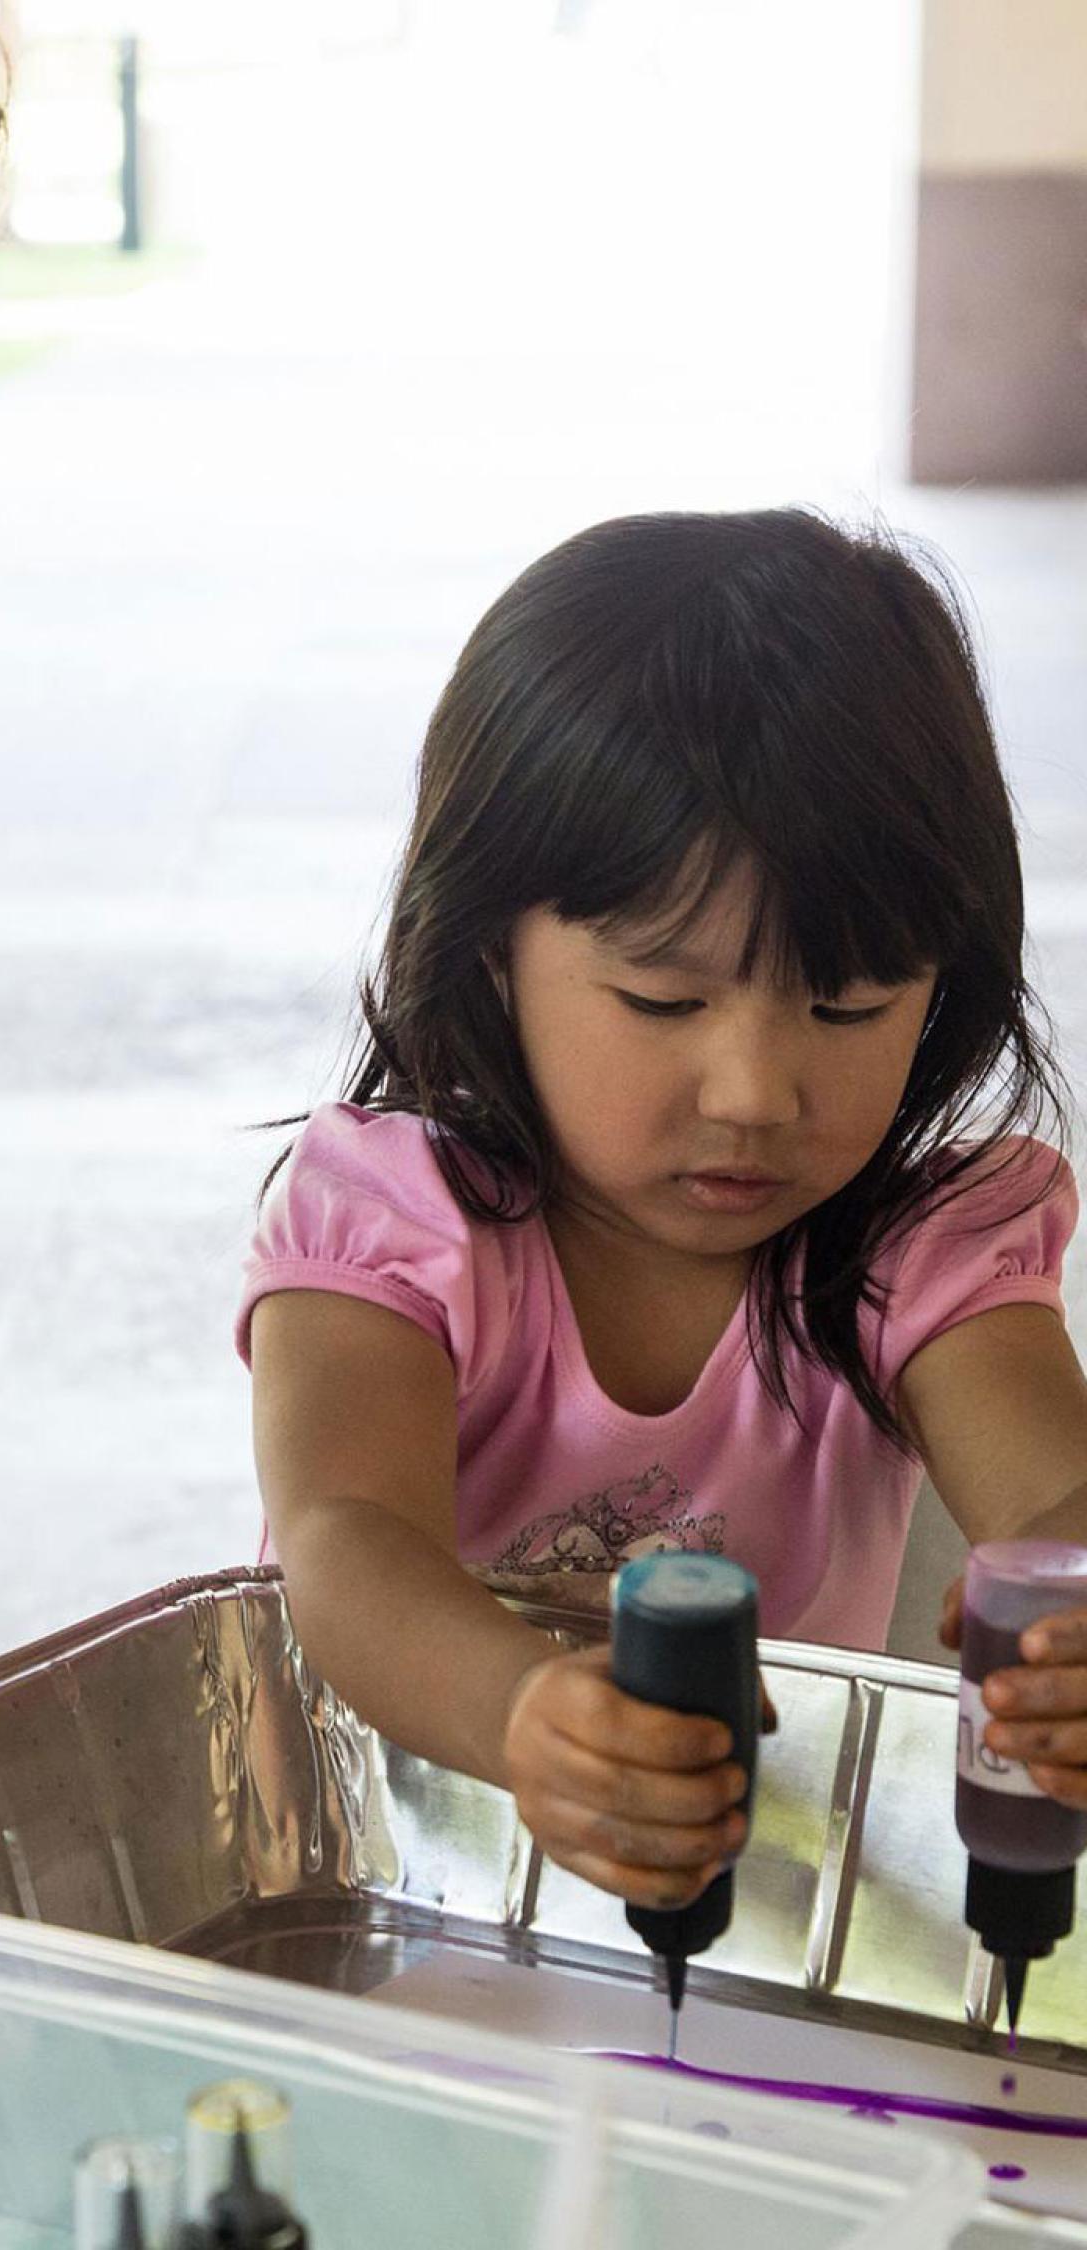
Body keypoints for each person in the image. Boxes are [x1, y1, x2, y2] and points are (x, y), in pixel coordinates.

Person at [240, 509, 1087, 1912]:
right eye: (664, 1000)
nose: (755, 1090)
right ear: (492, 951)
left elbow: (1055, 1493)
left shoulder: (919, 1251)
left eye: (847, 1005)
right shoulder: (393, 1225)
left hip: (748, 1900)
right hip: (397, 1868)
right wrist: (527, 1715)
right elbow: (341, 1535)